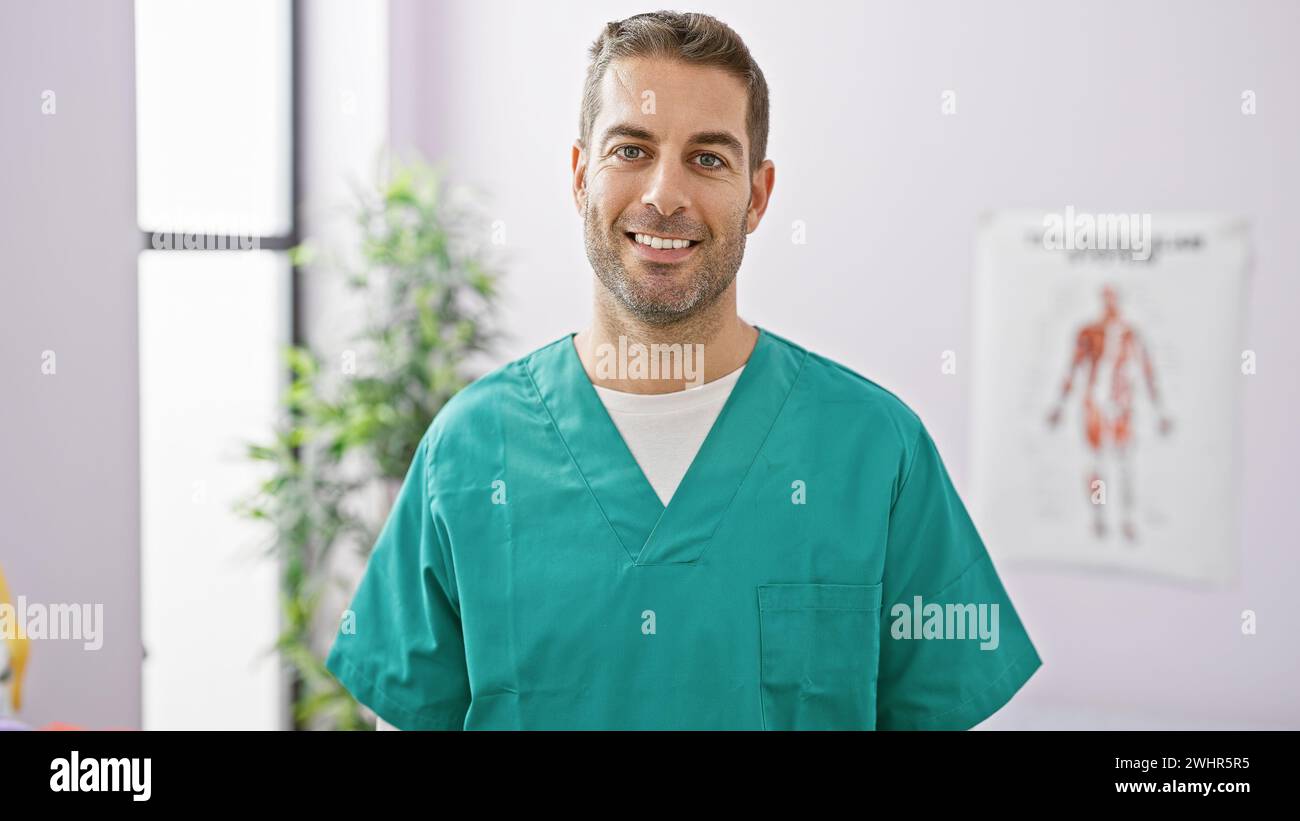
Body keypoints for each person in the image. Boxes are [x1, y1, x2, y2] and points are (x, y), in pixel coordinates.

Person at [326, 10, 1041, 730]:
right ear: (580, 177)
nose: (664, 195)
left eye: (708, 159)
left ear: (758, 196)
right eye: (631, 150)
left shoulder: (876, 450)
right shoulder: (468, 452)